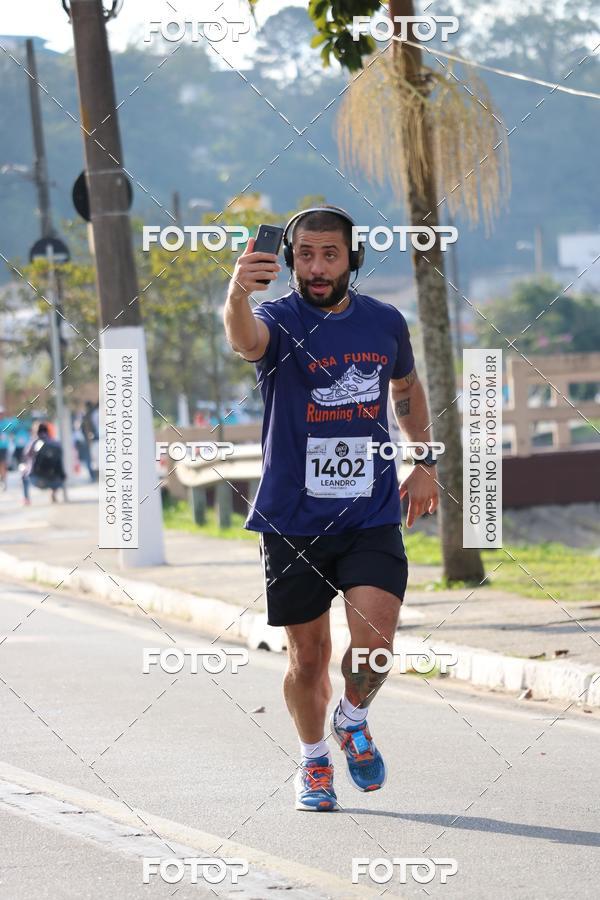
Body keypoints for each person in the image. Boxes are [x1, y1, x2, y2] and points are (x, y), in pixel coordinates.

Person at [223, 206, 438, 812]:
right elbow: (243, 340)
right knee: (308, 657)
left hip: (370, 512)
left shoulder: (385, 322)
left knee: (374, 648)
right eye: (306, 255)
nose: (317, 268)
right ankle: (314, 760)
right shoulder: (276, 319)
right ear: (290, 259)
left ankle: (352, 717)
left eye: (330, 255)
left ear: (353, 259)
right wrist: (238, 288)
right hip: (293, 519)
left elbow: (406, 388)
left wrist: (424, 462)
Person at [21, 421, 66, 505]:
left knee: (23, 471)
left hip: (36, 480)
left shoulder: (32, 443)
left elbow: (25, 456)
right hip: (56, 481)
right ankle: (54, 493)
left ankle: (26, 499)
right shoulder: (56, 444)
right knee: (57, 471)